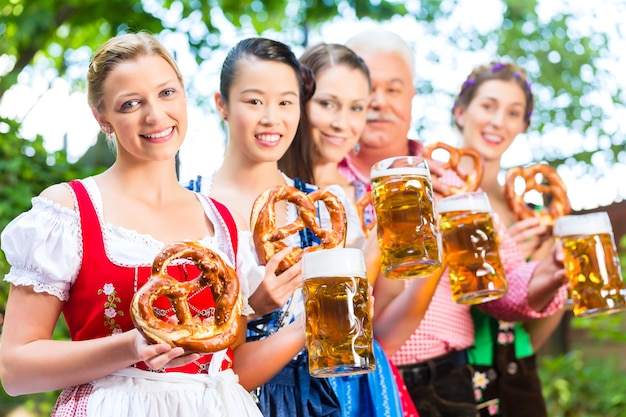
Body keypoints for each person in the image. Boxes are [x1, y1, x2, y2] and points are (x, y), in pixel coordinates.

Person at [0, 32, 306, 417]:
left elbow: (231, 370)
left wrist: (304, 326)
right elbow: (15, 370)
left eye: (166, 93)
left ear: (183, 94)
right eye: (130, 104)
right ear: (102, 118)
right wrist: (131, 346)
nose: (155, 116)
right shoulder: (68, 210)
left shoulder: (223, 221)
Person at [340, 28, 569, 417]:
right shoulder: (323, 188)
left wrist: (548, 274)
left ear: (413, 97)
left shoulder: (450, 181)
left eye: (393, 89)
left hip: (449, 384)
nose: (378, 102)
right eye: (366, 89)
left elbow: (504, 286)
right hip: (352, 386)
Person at [279, 42, 430, 417]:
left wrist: (394, 243)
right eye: (327, 104)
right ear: (298, 102)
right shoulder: (274, 193)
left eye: (356, 108)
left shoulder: (362, 193)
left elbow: (378, 315)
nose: (341, 123)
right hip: (286, 381)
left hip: (362, 382)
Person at [452, 61, 566, 417]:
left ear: (523, 125)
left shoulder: (531, 214)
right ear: (460, 111)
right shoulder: (436, 195)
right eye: (488, 106)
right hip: (453, 370)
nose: (498, 121)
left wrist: (549, 265)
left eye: (513, 112)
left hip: (517, 371)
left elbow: (544, 318)